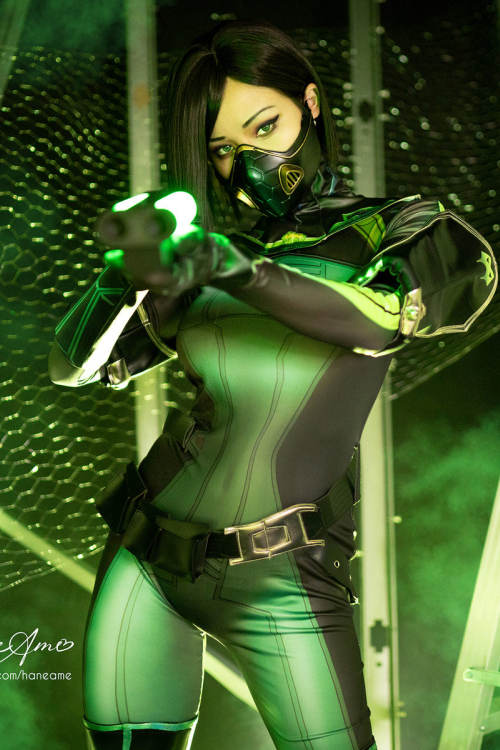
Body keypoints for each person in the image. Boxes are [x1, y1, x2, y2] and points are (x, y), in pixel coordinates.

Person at [48, 20, 497, 750]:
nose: (248, 166)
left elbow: (382, 320)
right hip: (146, 562)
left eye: (265, 128)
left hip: (284, 579)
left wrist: (235, 269)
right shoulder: (202, 256)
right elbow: (74, 367)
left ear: (311, 104)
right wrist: (117, 281)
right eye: (223, 150)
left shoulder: (398, 229)